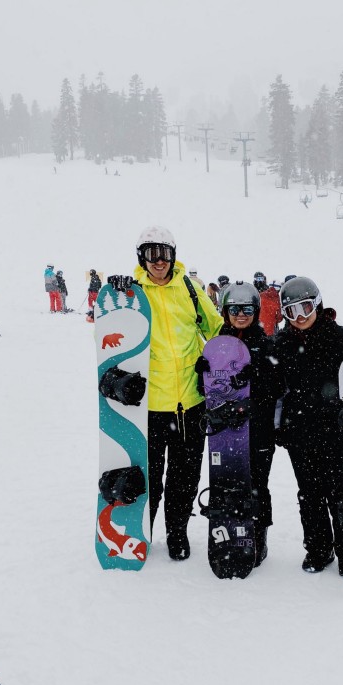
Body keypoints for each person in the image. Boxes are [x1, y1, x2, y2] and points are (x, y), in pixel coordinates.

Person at [108, 226, 222, 560]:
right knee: (150, 478)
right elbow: (112, 331)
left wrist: (213, 360)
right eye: (151, 254)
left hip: (190, 404)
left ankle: (177, 533)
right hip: (149, 406)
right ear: (141, 258)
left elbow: (214, 328)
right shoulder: (132, 293)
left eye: (164, 254)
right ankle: (142, 532)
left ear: (173, 255)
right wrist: (116, 296)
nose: (158, 262)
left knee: (184, 478)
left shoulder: (189, 289)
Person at [274, 276, 343, 575]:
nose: (300, 318)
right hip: (298, 431)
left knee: (339, 492)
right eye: (291, 312)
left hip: (332, 429)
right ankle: (319, 550)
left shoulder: (339, 337)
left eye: (306, 308)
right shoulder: (281, 344)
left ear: (318, 304)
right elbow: (264, 377)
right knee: (308, 493)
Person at [214, 281, 283, 565]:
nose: (240, 314)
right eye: (234, 309)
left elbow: (277, 387)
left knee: (257, 483)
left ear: (255, 310)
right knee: (229, 482)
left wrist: (257, 376)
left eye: (246, 309)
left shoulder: (267, 344)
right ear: (225, 311)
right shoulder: (216, 345)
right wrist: (203, 369)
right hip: (227, 429)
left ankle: (258, 533)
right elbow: (208, 390)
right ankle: (229, 531)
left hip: (258, 429)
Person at [253, 271, 283, 336]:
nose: (259, 281)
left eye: (261, 278)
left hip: (258, 326)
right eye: (257, 279)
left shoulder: (260, 295)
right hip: (270, 329)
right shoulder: (277, 300)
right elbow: (279, 318)